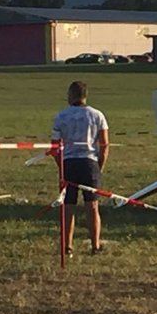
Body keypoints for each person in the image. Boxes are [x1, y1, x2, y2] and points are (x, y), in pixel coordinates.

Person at [51, 81, 109, 256]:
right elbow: (105, 144)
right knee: (92, 205)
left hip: (69, 162)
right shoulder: (97, 115)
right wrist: (100, 166)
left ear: (72, 95)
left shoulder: (61, 116)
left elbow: (54, 147)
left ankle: (67, 246)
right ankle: (95, 245)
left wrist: (61, 166)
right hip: (89, 163)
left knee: (68, 205)